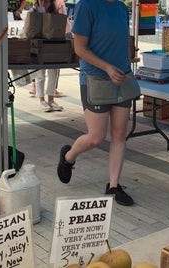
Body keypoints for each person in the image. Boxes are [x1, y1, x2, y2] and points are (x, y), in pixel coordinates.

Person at [57, 0, 138, 206]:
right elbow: (80, 49)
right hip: (96, 78)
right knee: (96, 137)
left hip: (121, 77)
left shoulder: (121, 8)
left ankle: (113, 185)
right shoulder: (87, 6)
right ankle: (68, 156)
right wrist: (107, 68)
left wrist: (123, 67)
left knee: (120, 134)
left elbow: (118, 43)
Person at [29, 0, 67, 111]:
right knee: (40, 73)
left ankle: (51, 99)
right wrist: (41, 7)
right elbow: (35, 24)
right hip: (38, 44)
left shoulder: (54, 10)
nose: (44, 2)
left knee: (53, 71)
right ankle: (41, 100)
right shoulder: (34, 10)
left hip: (52, 44)